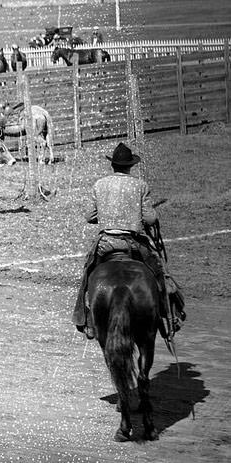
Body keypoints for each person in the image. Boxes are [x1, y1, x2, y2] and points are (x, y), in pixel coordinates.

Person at [72, 142, 186, 340]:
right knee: (159, 272)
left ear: (113, 165)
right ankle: (169, 317)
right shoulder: (140, 185)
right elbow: (150, 219)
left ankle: (86, 320)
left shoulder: (99, 184)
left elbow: (89, 216)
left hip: (106, 243)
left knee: (88, 274)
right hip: (133, 243)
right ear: (130, 166)